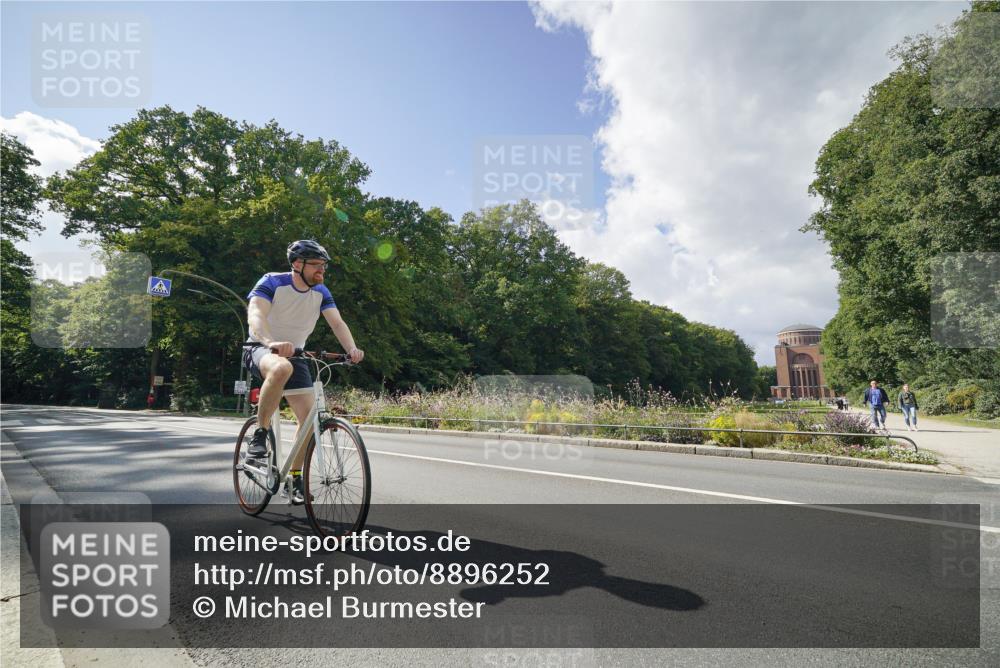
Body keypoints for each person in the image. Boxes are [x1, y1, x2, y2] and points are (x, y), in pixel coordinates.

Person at [242, 239, 365, 503]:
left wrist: (352, 349)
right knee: (281, 367)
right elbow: (256, 315)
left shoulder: (321, 291)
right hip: (261, 348)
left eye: (324, 266)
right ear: (298, 265)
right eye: (316, 265)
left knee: (310, 419)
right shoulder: (273, 282)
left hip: (296, 354)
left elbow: (337, 322)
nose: (322, 271)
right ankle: (260, 435)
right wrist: (270, 341)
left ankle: (294, 477)